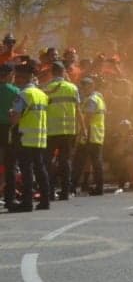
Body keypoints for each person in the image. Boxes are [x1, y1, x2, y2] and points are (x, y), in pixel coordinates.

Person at [9, 60, 50, 211]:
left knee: (27, 170)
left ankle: (27, 202)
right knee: (40, 168)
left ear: (24, 78)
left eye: (17, 77)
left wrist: (10, 116)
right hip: (39, 138)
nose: (15, 80)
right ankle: (45, 200)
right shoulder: (41, 94)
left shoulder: (24, 94)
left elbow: (15, 118)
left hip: (25, 137)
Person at [45, 61, 80, 200]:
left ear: (52, 72)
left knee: (49, 161)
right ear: (63, 72)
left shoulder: (47, 88)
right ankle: (66, 191)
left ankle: (50, 190)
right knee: (65, 162)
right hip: (69, 131)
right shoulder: (73, 88)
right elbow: (78, 110)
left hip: (51, 131)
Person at [73, 77, 106, 195]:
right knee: (96, 162)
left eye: (86, 86)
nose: (83, 89)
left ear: (92, 86)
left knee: (79, 161)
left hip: (89, 134)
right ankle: (99, 187)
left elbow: (87, 117)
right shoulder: (98, 98)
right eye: (82, 86)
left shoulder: (91, 100)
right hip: (96, 135)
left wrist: (82, 132)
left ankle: (72, 187)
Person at [1, 63, 20, 210]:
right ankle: (10, 198)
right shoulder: (15, 91)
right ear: (9, 75)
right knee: (10, 165)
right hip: (9, 129)